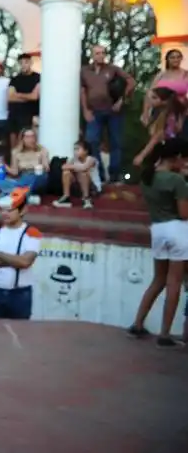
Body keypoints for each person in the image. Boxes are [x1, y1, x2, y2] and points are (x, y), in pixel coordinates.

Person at [127, 139, 188, 349]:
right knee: (174, 283)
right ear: (178, 157)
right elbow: (184, 213)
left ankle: (137, 323)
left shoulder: (148, 177)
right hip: (178, 230)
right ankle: (165, 333)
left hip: (158, 230)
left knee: (158, 280)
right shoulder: (176, 180)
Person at [0, 187, 42, 320]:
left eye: (10, 210)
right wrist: (14, 261)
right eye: (3, 210)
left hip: (20, 295)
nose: (5, 213)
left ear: (23, 210)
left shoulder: (32, 233)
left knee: (19, 333)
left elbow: (25, 262)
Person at [81, 45, 135, 184]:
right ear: (92, 55)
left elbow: (131, 81)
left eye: (103, 53)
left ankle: (114, 174)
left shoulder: (113, 69)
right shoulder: (85, 71)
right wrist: (86, 110)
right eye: (97, 53)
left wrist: (121, 100)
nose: (100, 55)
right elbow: (82, 91)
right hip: (94, 111)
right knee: (91, 140)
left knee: (116, 142)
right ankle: (100, 175)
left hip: (113, 111)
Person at [7, 54, 40, 148]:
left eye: (26, 62)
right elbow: (10, 97)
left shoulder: (38, 77)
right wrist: (28, 96)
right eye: (21, 63)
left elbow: (35, 96)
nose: (23, 65)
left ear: (31, 62)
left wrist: (18, 94)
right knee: (14, 146)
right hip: (14, 115)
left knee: (29, 144)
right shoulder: (15, 79)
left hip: (30, 115)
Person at [53, 141, 99, 209]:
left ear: (86, 151)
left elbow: (84, 167)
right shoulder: (72, 159)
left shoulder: (91, 159)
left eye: (78, 149)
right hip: (77, 187)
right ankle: (66, 197)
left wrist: (72, 167)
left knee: (83, 173)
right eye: (74, 149)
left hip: (92, 188)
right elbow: (63, 167)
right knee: (66, 172)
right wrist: (73, 167)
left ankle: (86, 199)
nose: (75, 151)